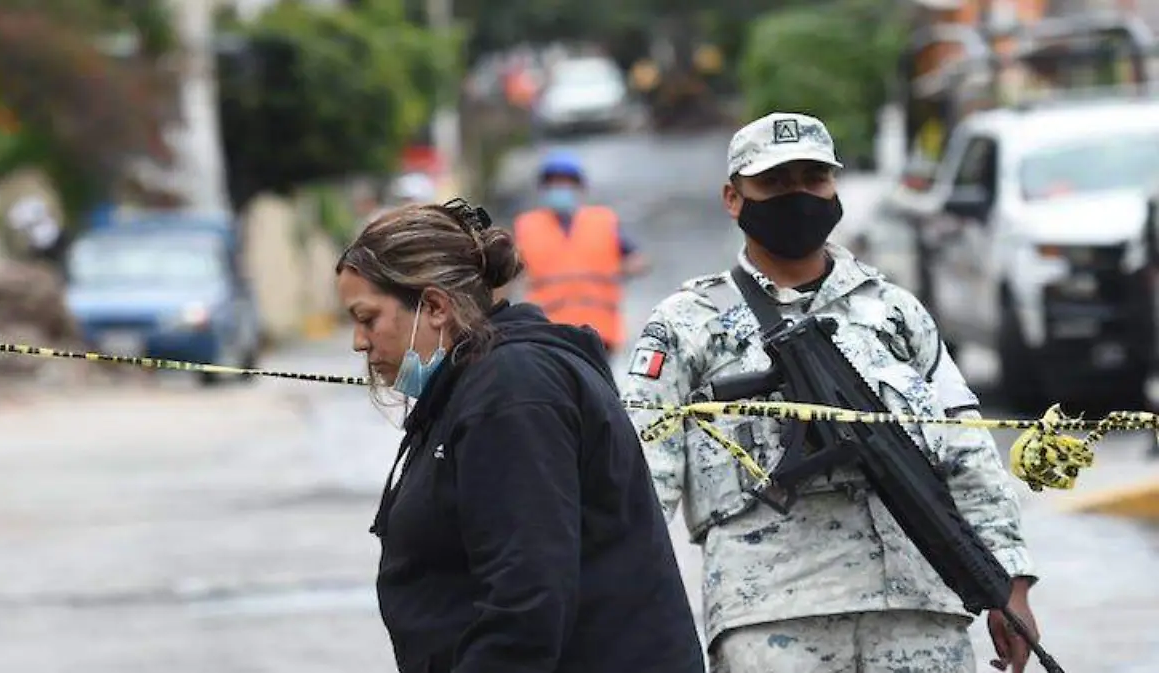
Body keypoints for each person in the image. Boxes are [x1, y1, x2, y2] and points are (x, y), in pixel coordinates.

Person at [620, 112, 1041, 673]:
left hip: (919, 606)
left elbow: (964, 447)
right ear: (733, 197)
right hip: (771, 616)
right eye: (774, 182)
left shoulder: (894, 312)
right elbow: (639, 484)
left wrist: (1011, 584)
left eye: (813, 179)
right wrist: (619, 613)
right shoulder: (688, 324)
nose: (798, 196)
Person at [335, 198, 705, 673]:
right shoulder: (475, 386)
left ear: (434, 306)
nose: (359, 342)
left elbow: (525, 601)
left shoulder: (513, 391)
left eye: (368, 318)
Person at [511, 150, 650, 357]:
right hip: (547, 332)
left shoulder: (603, 221)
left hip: (599, 332)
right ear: (544, 188)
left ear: (579, 187)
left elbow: (639, 261)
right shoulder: (527, 226)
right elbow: (508, 271)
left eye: (566, 183)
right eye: (555, 183)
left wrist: (619, 271)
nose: (560, 189)